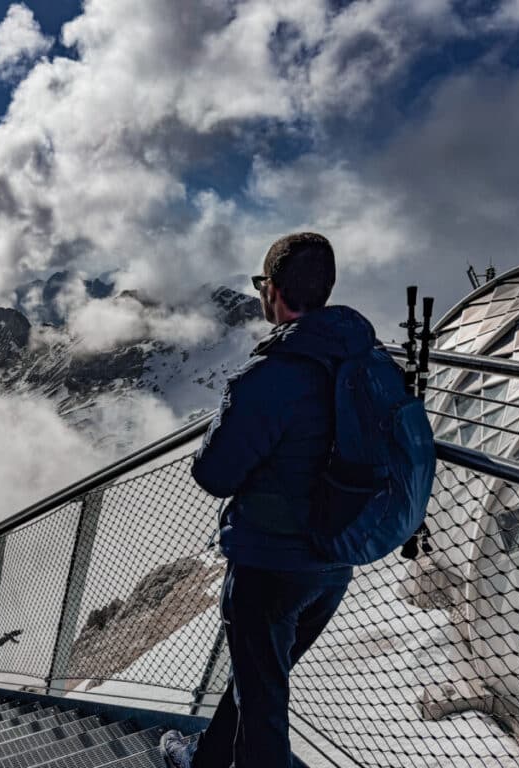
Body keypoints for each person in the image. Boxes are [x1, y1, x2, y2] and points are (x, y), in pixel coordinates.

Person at [161, 232, 380, 767]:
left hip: (270, 566)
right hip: (334, 563)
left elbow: (215, 473)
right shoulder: (365, 360)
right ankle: (208, 758)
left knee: (263, 708)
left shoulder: (269, 376)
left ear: (274, 292)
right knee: (257, 678)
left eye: (263, 284)